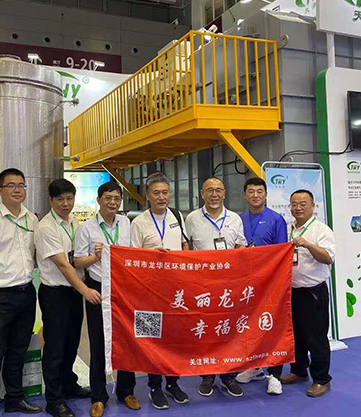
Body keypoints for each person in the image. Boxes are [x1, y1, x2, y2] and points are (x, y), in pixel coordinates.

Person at [0, 168, 42, 416]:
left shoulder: (32, 220)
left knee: (17, 352)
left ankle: (14, 399)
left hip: (26, 293)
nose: (17, 190)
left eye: (21, 185)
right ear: (0, 190)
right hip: (0, 297)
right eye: (11, 185)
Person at [74, 181, 140, 417]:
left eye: (116, 198)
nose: (112, 202)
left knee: (127, 340)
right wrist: (95, 256)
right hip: (98, 289)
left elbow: (133, 253)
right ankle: (98, 396)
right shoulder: (86, 228)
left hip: (123, 288)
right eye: (108, 198)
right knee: (98, 342)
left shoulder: (126, 223)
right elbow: (77, 262)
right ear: (99, 200)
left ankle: (126, 391)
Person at [35, 178, 98, 417]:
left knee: (72, 342)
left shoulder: (74, 222)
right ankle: (54, 399)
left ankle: (69, 385)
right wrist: (85, 290)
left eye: (69, 198)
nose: (65, 203)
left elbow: (79, 258)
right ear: (51, 200)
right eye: (60, 199)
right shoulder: (46, 227)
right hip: (55, 293)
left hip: (73, 292)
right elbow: (63, 264)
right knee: (55, 346)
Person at [130, 172, 190, 410]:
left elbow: (184, 244)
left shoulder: (177, 215)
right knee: (152, 338)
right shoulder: (139, 222)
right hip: (149, 291)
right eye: (156, 193)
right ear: (147, 195)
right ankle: (154, 386)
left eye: (165, 192)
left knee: (174, 338)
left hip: (175, 290)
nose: (161, 197)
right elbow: (133, 257)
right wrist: (153, 256)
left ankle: (172, 383)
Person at [185, 177, 247, 398]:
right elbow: (185, 248)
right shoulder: (192, 218)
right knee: (206, 330)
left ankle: (229, 375)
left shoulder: (235, 218)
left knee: (228, 329)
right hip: (203, 285)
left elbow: (241, 245)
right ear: (202, 193)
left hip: (229, 285)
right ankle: (207, 375)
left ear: (224, 193)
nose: (214, 194)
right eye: (209, 190)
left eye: (218, 190)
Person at [279, 189, 336, 398]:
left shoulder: (321, 230)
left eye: (303, 204)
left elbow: (328, 258)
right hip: (291, 291)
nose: (298, 208)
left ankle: (321, 379)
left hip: (313, 292)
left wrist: (308, 245)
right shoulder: (288, 229)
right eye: (294, 204)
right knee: (296, 335)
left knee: (316, 337)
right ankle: (299, 371)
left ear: (313, 206)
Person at [236, 177, 288, 395]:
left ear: (266, 194)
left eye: (259, 191)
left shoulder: (276, 219)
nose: (255, 195)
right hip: (246, 284)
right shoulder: (238, 219)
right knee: (250, 327)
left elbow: (282, 254)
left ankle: (275, 375)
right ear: (245, 195)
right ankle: (255, 367)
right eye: (251, 191)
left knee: (273, 327)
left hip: (270, 283)